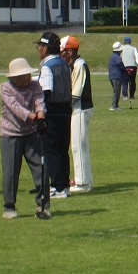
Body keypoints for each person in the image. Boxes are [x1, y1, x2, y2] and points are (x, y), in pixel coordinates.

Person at [0, 57, 50, 220]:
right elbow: (15, 108)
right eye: (23, 75)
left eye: (28, 74)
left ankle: (43, 206)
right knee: (11, 172)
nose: (27, 77)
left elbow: (39, 101)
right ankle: (9, 206)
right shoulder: (5, 87)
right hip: (10, 134)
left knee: (41, 169)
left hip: (32, 133)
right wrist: (35, 118)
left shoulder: (35, 85)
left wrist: (41, 117)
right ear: (14, 77)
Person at [36, 32, 72, 200]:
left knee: (52, 150)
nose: (38, 49)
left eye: (39, 46)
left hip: (52, 111)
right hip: (66, 110)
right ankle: (64, 185)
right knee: (63, 149)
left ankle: (57, 186)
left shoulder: (47, 66)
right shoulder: (64, 64)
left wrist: (41, 113)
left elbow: (46, 90)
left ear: (45, 48)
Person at [61, 36, 94, 193]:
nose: (60, 54)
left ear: (69, 51)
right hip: (78, 108)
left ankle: (82, 182)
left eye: (62, 51)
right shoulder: (73, 65)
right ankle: (84, 180)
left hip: (80, 108)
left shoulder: (79, 65)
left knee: (78, 145)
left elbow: (76, 94)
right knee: (79, 145)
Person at [120, 36, 138, 103]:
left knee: (125, 81)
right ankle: (132, 95)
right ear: (130, 42)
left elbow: (120, 57)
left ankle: (125, 95)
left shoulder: (121, 48)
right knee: (132, 81)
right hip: (132, 66)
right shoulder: (133, 48)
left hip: (125, 66)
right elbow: (137, 57)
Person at [108, 42, 127, 110]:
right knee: (117, 91)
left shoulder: (113, 56)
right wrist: (126, 71)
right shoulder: (116, 57)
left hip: (112, 76)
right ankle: (114, 106)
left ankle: (115, 105)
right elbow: (121, 66)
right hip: (116, 76)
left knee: (116, 91)